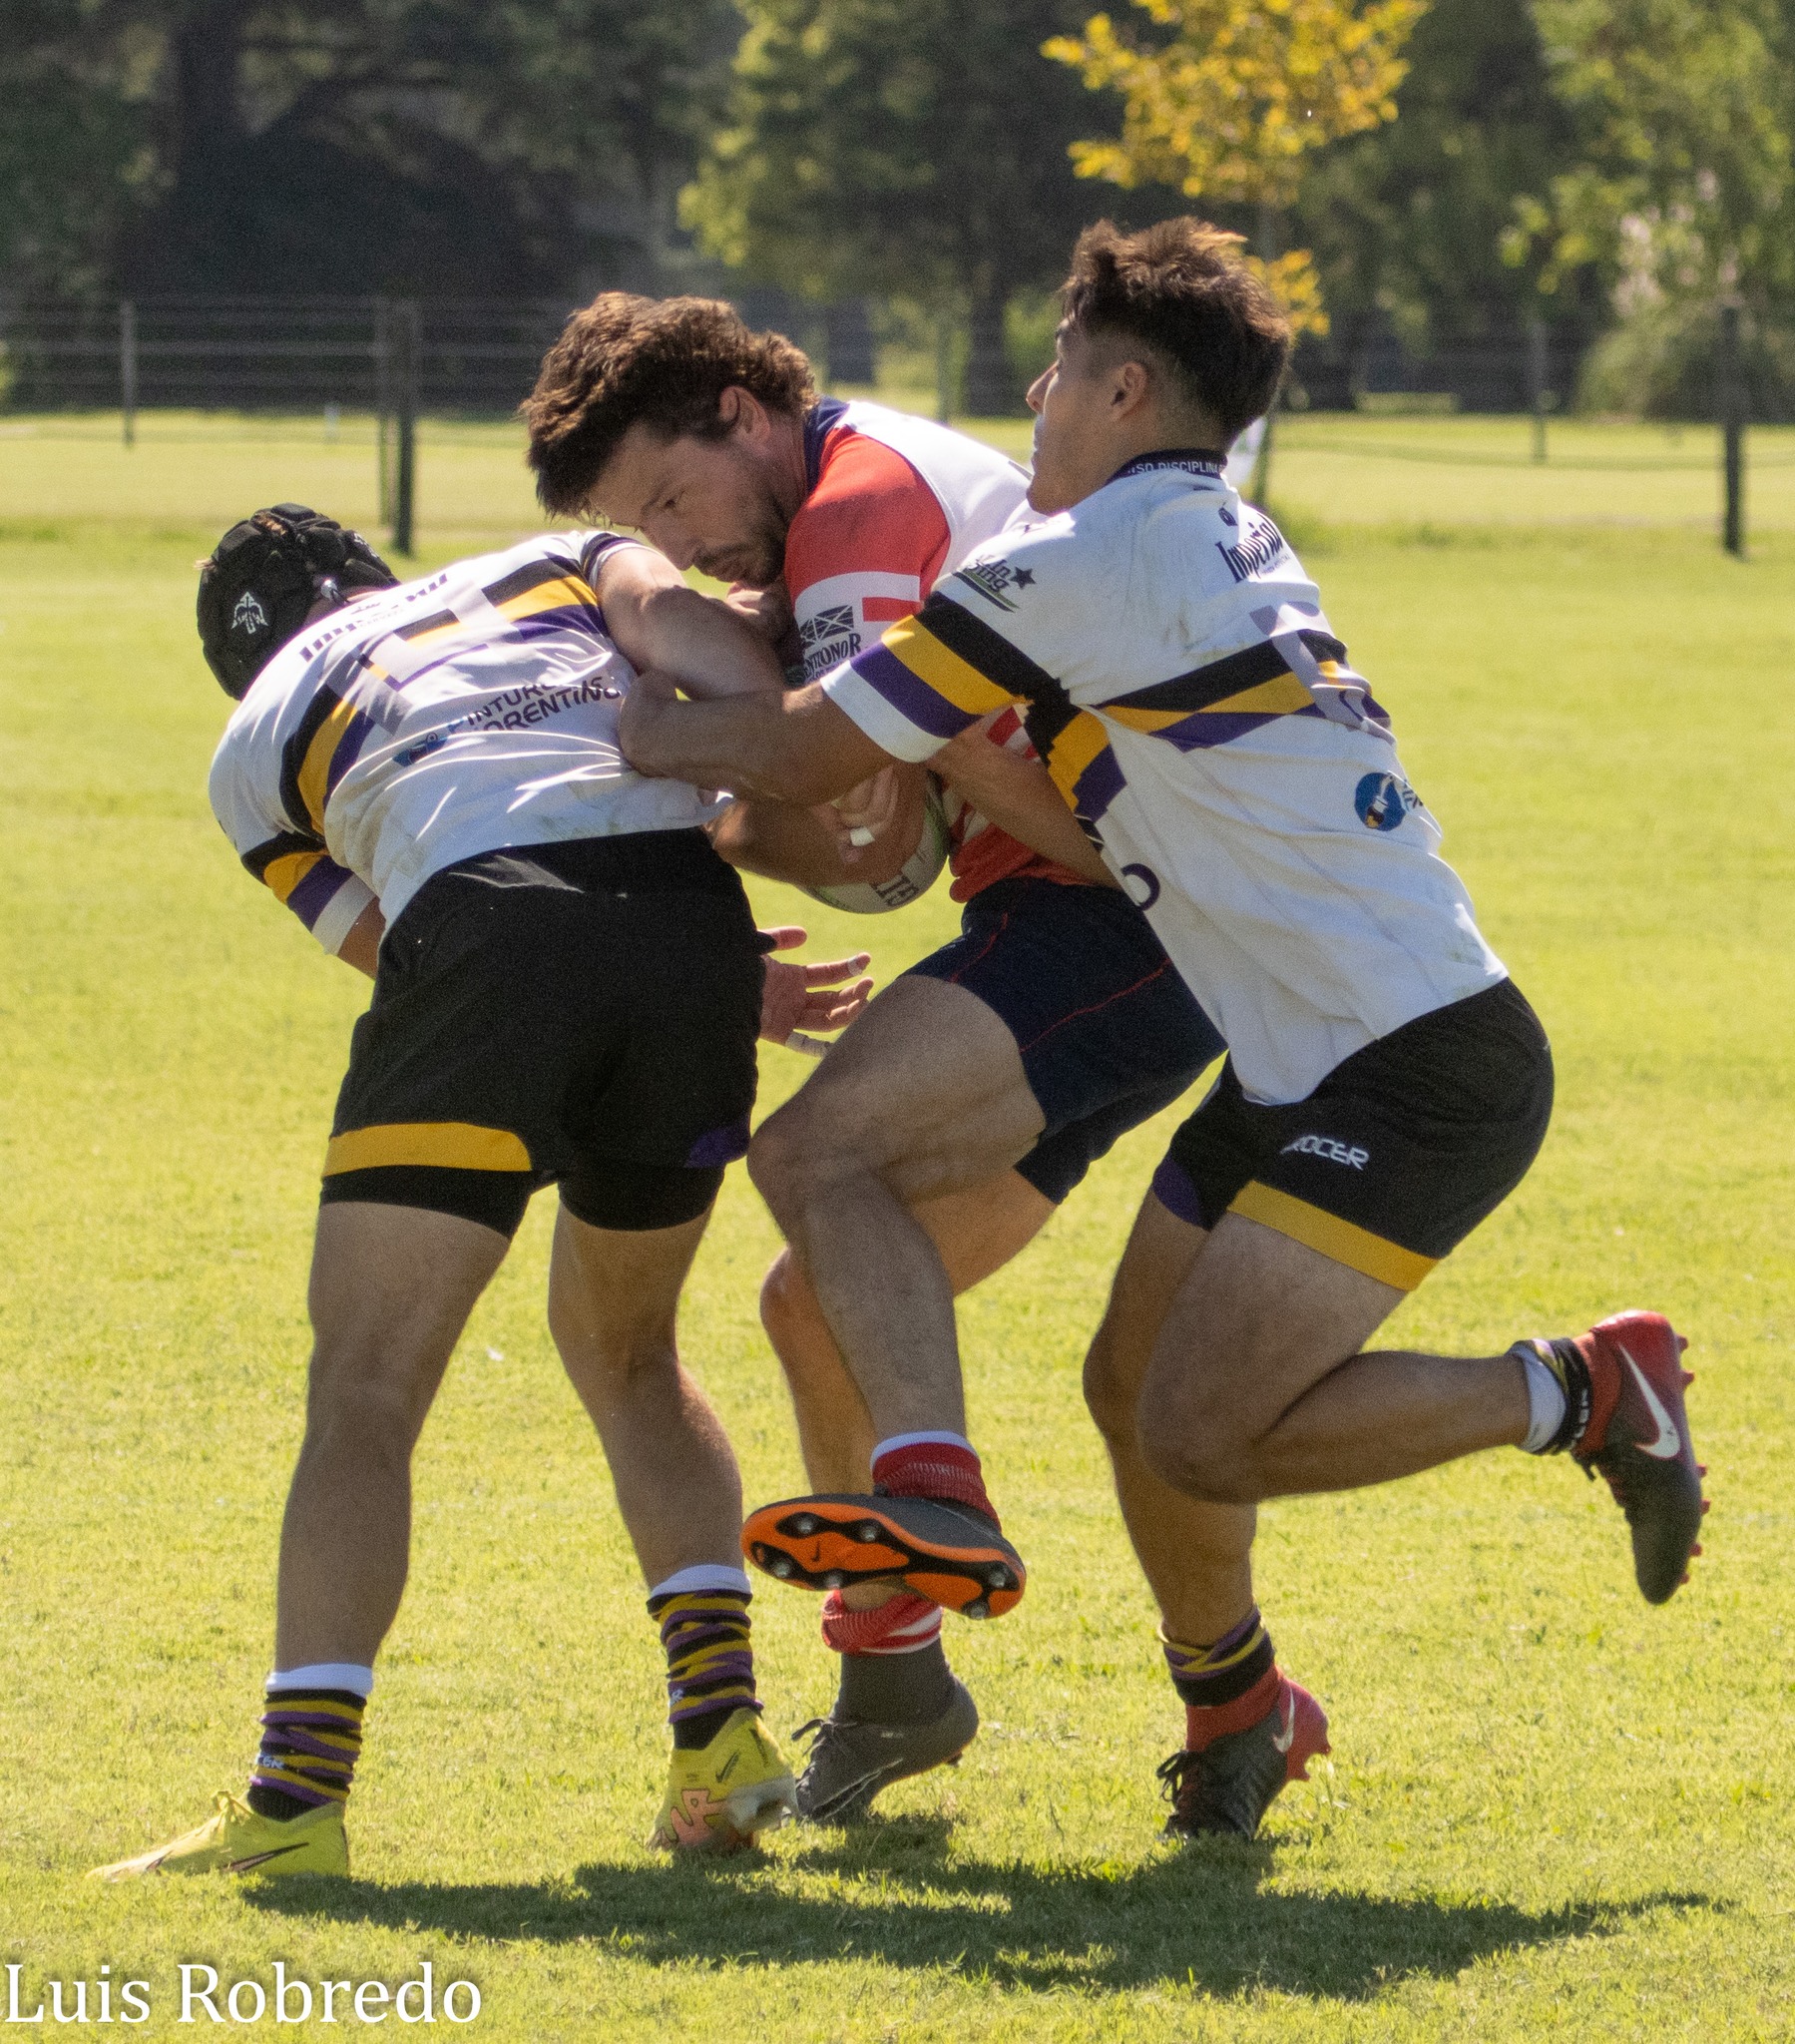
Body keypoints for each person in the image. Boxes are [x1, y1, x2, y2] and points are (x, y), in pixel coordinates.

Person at [612, 221, 1708, 1842]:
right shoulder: (1208, 533)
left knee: (1199, 1427)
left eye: (1059, 373)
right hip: (1302, 1049)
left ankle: (1584, 1394)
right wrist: (948, 748)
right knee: (1132, 1391)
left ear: (1126, 392)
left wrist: (632, 712)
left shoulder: (1083, 565)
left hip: (1417, 1065)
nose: (1034, 402)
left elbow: (805, 757)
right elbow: (1069, 814)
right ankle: (1238, 1708)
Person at [524, 295, 1238, 1822]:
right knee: (817, 1304)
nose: (682, 542)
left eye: (674, 498)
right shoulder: (846, 507)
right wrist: (754, 794)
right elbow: (878, 821)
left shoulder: (856, 516)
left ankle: (933, 1489)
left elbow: (872, 829)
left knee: (810, 1153)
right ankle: (903, 1688)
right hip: (1102, 924)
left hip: (1119, 920)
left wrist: (665, 767)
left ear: (740, 411)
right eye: (645, 528)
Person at [91, 504, 872, 1880]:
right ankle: (719, 1742)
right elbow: (695, 639)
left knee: (367, 1388)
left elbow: (383, 940)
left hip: (481, 924)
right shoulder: (550, 556)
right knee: (630, 1352)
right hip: (693, 932)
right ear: (370, 574)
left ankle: (295, 1806)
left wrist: (530, 988)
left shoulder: (253, 736)